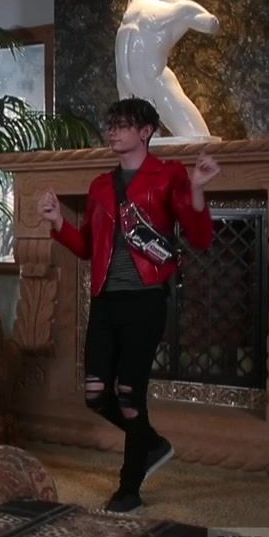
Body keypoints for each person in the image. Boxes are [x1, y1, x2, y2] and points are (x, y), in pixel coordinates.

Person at [36, 97, 220, 513]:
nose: (113, 131)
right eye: (111, 124)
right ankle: (151, 443)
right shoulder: (100, 186)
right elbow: (87, 247)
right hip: (105, 300)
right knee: (96, 395)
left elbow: (200, 237)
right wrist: (57, 220)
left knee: (130, 396)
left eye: (123, 125)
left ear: (146, 131)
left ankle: (129, 487)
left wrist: (196, 188)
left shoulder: (168, 175)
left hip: (146, 299)